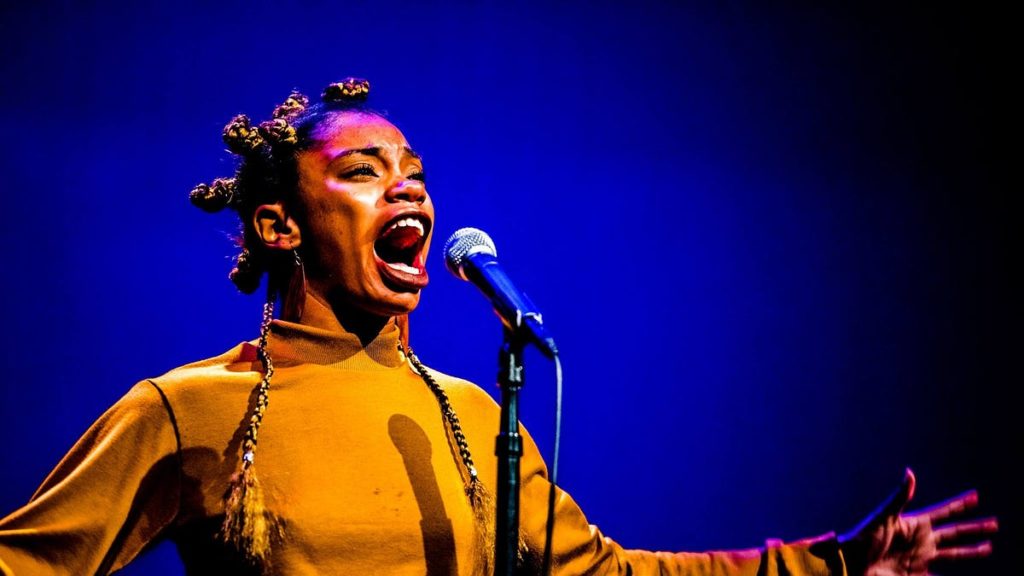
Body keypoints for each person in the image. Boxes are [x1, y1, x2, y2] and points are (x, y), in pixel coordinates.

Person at [0, 78, 998, 575]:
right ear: (279, 224)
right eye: (362, 172)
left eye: (417, 176)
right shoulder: (189, 410)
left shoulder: (474, 417)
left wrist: (830, 563)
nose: (409, 192)